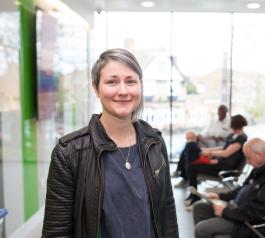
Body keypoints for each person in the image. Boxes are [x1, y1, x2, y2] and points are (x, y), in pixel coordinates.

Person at [42, 48, 179, 238]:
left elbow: (167, 210)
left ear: (140, 86)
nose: (123, 91)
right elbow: (56, 232)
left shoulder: (154, 142)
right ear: (96, 88)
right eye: (112, 82)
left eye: (130, 81)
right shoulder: (69, 153)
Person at [192, 138, 265, 238]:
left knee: (201, 229)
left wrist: (225, 212)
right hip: (238, 211)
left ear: (259, 155)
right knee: (199, 207)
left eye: (248, 158)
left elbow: (255, 211)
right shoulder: (261, 167)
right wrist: (220, 196)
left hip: (248, 223)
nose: (247, 162)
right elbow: (241, 189)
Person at [185, 114, 248, 206]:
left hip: (225, 169)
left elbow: (226, 153)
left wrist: (208, 153)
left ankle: (194, 196)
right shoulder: (233, 135)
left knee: (191, 167)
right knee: (189, 164)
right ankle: (193, 195)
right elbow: (222, 148)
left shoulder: (241, 138)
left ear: (235, 124)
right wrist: (204, 150)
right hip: (220, 164)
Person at [171, 105, 232, 180]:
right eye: (219, 110)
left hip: (219, 145)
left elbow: (228, 140)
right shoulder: (213, 121)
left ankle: (182, 172)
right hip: (209, 143)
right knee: (188, 146)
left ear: (226, 112)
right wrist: (200, 136)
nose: (220, 112)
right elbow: (205, 133)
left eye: (222, 111)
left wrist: (221, 139)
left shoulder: (230, 123)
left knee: (189, 149)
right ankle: (181, 172)